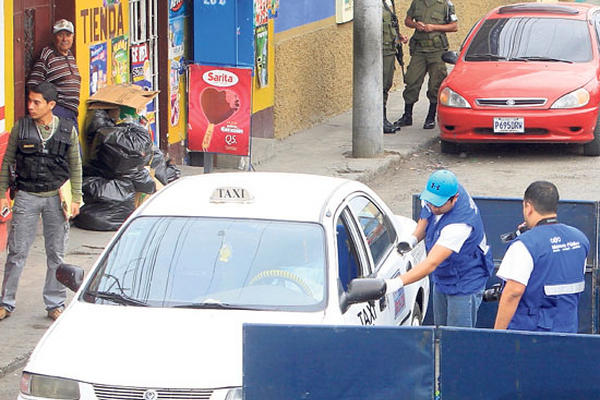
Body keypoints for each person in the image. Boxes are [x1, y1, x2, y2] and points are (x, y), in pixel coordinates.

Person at [0, 81, 82, 321]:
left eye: (37, 102)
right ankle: (6, 302)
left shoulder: (67, 130)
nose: (31, 106)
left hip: (56, 199)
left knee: (56, 254)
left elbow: (75, 166)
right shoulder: (21, 128)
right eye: (29, 101)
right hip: (26, 196)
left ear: (51, 105)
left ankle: (55, 304)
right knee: (17, 252)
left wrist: (76, 198)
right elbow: (6, 163)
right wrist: (1, 196)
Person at [385, 169, 494, 327]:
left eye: (438, 204)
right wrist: (413, 239)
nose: (433, 206)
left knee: (457, 339)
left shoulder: (459, 226)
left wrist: (396, 283)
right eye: (430, 201)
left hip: (465, 281)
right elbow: (427, 213)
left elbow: (431, 263)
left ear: (454, 199)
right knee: (440, 330)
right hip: (444, 276)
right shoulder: (438, 195)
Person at [494, 181, 589, 333]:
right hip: (568, 330)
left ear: (528, 207)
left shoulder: (525, 245)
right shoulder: (580, 239)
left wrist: (496, 334)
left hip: (531, 336)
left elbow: (513, 292)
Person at [395, 0, 458, 130]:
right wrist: (415, 25)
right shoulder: (417, 3)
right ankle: (407, 115)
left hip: (437, 50)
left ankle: (430, 117)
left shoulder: (445, 4)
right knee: (412, 80)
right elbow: (407, 21)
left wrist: (433, 27)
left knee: (436, 83)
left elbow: (454, 26)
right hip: (419, 50)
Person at [27, 19, 81, 131]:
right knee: (65, 147)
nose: (65, 39)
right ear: (54, 37)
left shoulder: (70, 55)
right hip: (57, 111)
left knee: (73, 146)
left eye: (68, 35)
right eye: (61, 35)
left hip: (71, 113)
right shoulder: (47, 54)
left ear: (73, 36)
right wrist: (45, 109)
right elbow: (33, 83)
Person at [382, 0, 408, 134]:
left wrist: (398, 38)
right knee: (381, 87)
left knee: (386, 84)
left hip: (390, 49)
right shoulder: (374, 4)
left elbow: (391, 25)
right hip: (382, 51)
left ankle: (382, 118)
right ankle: (380, 120)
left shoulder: (388, 2)